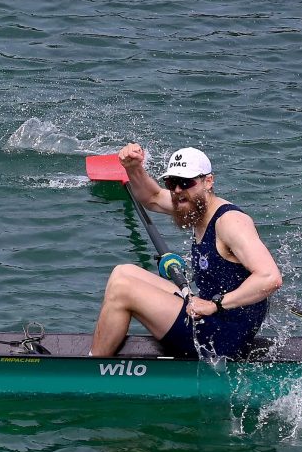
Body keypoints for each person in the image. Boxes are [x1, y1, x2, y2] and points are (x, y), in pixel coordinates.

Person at [90, 144, 283, 359]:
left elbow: (270, 277)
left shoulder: (230, 222)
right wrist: (133, 168)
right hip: (206, 316)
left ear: (208, 181)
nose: (178, 191)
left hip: (222, 338)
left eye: (185, 182)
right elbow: (151, 197)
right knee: (123, 272)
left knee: (122, 289)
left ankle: (92, 370)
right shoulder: (194, 205)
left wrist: (215, 305)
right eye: (172, 183)